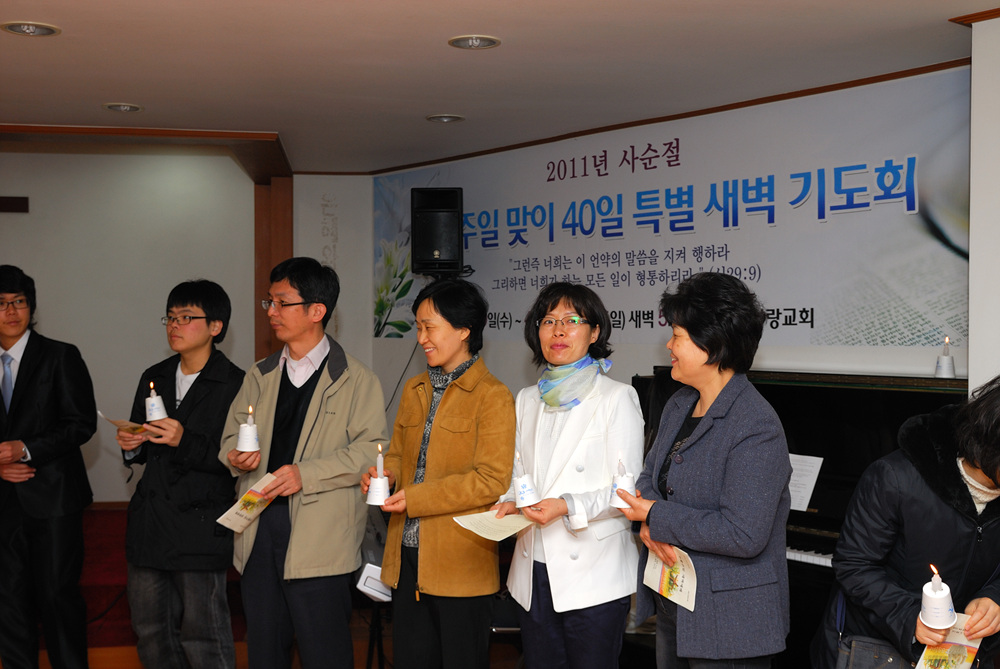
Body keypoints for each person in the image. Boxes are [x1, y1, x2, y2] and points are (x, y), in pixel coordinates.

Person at [220, 257, 389, 669]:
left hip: (321, 535)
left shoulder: (356, 379)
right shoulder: (259, 375)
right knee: (264, 651)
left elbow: (371, 450)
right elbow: (229, 438)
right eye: (269, 302)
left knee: (324, 653)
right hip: (258, 527)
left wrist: (305, 474)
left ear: (317, 311)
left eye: (282, 302)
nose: (271, 312)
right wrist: (236, 456)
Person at [617, 271, 791, 668]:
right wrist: (649, 521)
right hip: (674, 600)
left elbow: (743, 534)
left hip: (730, 623)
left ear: (712, 344)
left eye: (677, 336)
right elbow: (649, 476)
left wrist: (656, 516)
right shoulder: (680, 403)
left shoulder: (756, 425)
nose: (669, 345)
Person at [362, 278, 515, 669]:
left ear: (464, 330)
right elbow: (399, 454)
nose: (421, 338)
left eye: (430, 327)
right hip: (406, 560)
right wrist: (386, 475)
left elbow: (491, 480)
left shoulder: (493, 396)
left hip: (461, 566)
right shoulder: (414, 389)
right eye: (418, 327)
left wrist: (416, 498)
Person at [491, 282, 645, 669]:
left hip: (593, 573)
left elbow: (625, 493)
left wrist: (567, 505)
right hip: (533, 569)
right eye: (548, 321)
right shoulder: (528, 398)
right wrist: (509, 500)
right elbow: (519, 472)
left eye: (572, 321)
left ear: (594, 333)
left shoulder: (616, 397)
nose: (558, 331)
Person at [810, 375, 1000, 668]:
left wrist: (994, 597)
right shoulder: (894, 477)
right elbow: (854, 566)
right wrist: (910, 618)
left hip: (961, 655)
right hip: (879, 651)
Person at [116, 280, 244, 669]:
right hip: (151, 521)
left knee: (203, 633)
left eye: (186, 317)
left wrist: (184, 440)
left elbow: (239, 459)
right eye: (170, 318)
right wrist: (131, 444)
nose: (175, 325)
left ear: (215, 326)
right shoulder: (154, 374)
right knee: (151, 630)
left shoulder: (236, 383)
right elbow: (143, 443)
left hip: (200, 523)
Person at [0, 265, 97, 669]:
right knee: (8, 601)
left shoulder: (60, 355)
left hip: (54, 500)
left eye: (19, 302)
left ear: (32, 306)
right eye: (1, 304)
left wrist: (25, 449)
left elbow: (81, 423)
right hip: (4, 502)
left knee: (58, 597)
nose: (11, 311)